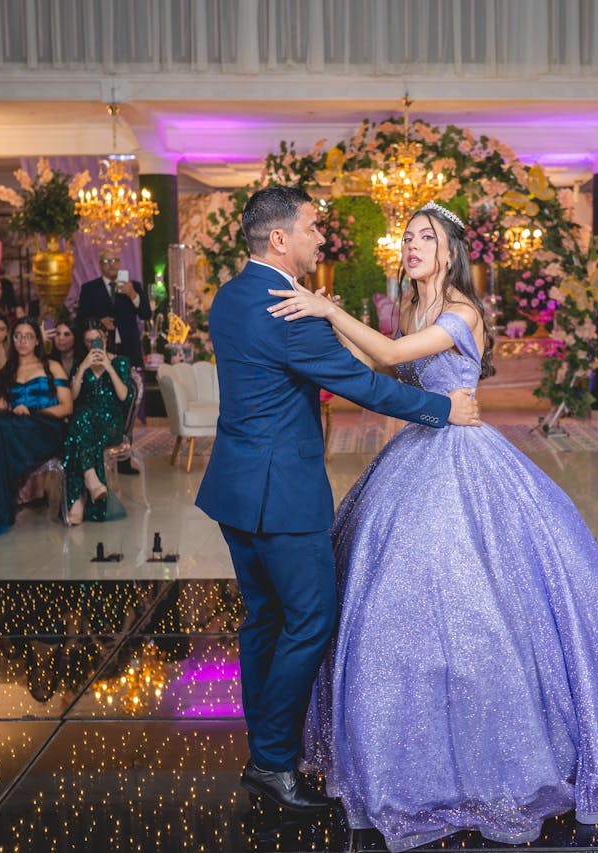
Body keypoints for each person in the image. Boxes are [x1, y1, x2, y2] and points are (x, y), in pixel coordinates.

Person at [268, 201, 598, 848]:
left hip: (464, 457)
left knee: (477, 597)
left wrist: (328, 309)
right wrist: (333, 321)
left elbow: (395, 351)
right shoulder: (414, 306)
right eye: (405, 237)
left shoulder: (462, 310)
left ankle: (503, 750)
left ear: (451, 249)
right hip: (418, 448)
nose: (410, 246)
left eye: (423, 238)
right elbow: (384, 363)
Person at [194, 187, 482, 815]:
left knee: (262, 620)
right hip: (281, 498)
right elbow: (364, 387)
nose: (321, 239)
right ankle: (273, 761)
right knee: (311, 620)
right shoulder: (284, 310)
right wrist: (442, 408)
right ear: (280, 240)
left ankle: (265, 748)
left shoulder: (232, 294)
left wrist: (330, 317)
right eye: (313, 228)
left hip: (234, 490)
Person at [0, 316, 72, 544]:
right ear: (12, 340)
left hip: (46, 429)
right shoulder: (5, 372)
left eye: (28, 337)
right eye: (18, 336)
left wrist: (34, 411)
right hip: (15, 430)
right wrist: (14, 411)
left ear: (37, 341)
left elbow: (67, 407)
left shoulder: (52, 367)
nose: (22, 341)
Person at [62, 324, 132, 525]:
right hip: (86, 423)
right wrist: (83, 368)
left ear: (105, 338)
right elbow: (72, 397)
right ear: (84, 344)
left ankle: (79, 500)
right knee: (81, 417)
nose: (94, 344)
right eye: (89, 341)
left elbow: (124, 396)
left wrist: (109, 367)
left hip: (111, 423)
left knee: (76, 429)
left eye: (97, 339)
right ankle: (92, 482)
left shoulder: (120, 362)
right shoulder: (80, 364)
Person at [74, 251, 151, 369]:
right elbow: (81, 319)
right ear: (99, 265)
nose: (111, 265)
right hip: (102, 348)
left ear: (120, 264)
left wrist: (132, 294)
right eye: (106, 261)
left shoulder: (133, 285)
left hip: (130, 347)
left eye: (115, 260)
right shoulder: (89, 288)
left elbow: (146, 314)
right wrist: (99, 322)